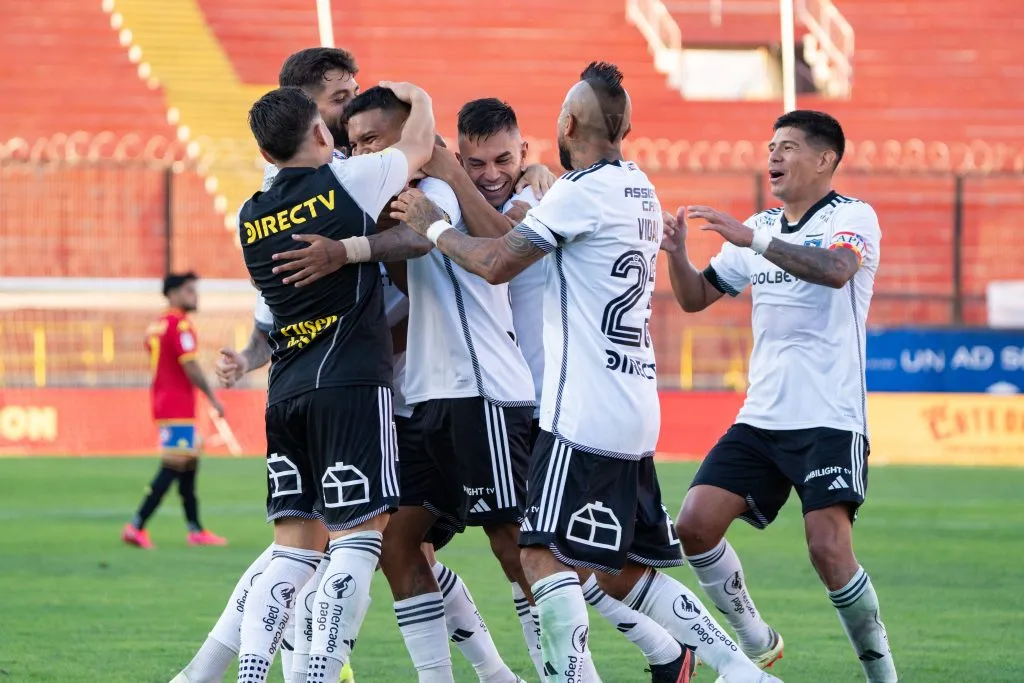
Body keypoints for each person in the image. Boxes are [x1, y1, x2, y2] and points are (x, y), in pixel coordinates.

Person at [391, 61, 779, 683]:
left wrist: (433, 223)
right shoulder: (639, 184)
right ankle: (737, 667)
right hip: (631, 401)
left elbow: (494, 261)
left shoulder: (570, 193)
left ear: (565, 123)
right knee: (615, 567)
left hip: (580, 409)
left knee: (540, 557)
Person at [422, 96, 692, 683]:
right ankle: (674, 653)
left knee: (540, 554)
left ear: (525, 152)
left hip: (551, 406)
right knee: (536, 553)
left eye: (502, 159)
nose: (490, 174)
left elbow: (499, 250)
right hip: (531, 404)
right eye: (474, 163)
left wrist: (442, 202)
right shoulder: (559, 188)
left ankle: (687, 655)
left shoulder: (543, 197)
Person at [663, 110, 897, 683]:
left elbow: (838, 270)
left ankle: (882, 675)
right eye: (771, 146)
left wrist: (755, 240)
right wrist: (675, 254)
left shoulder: (852, 218)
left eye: (787, 146)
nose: (773, 156)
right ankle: (755, 637)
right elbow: (695, 298)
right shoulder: (759, 226)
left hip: (830, 418)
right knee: (693, 524)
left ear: (825, 159)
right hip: (762, 418)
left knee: (828, 550)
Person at [230, 81, 435, 683]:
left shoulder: (249, 215)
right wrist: (416, 94)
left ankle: (250, 671)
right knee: (360, 534)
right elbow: (419, 144)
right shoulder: (350, 179)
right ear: (324, 133)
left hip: (286, 388)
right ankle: (319, 670)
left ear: (266, 157)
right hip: (351, 381)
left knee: (292, 546)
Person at [170, 46, 362, 683]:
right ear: (310, 114)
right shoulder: (347, 181)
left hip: (320, 384)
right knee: (350, 544)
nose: (352, 109)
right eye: (340, 100)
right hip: (357, 384)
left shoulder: (269, 204)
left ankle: (208, 673)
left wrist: (250, 356)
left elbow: (265, 323)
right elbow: (267, 318)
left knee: (309, 547)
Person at [122, 272, 227, 550]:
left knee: (189, 463)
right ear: (172, 294)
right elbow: (189, 365)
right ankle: (136, 525)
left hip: (164, 401)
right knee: (173, 465)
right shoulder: (180, 326)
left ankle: (196, 529)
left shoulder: (156, 325)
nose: (195, 296)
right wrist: (213, 397)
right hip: (177, 404)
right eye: (189, 291)